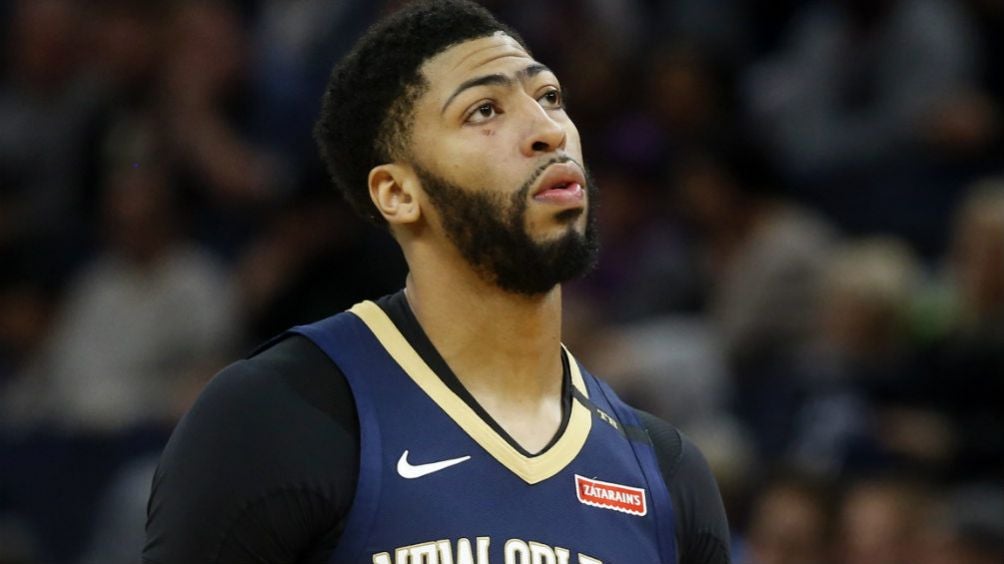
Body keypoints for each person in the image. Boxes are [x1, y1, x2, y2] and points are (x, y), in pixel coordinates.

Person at [143, 1, 730, 563]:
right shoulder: (276, 415)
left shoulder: (667, 476)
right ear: (398, 193)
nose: (548, 130)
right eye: (485, 110)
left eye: (549, 96)